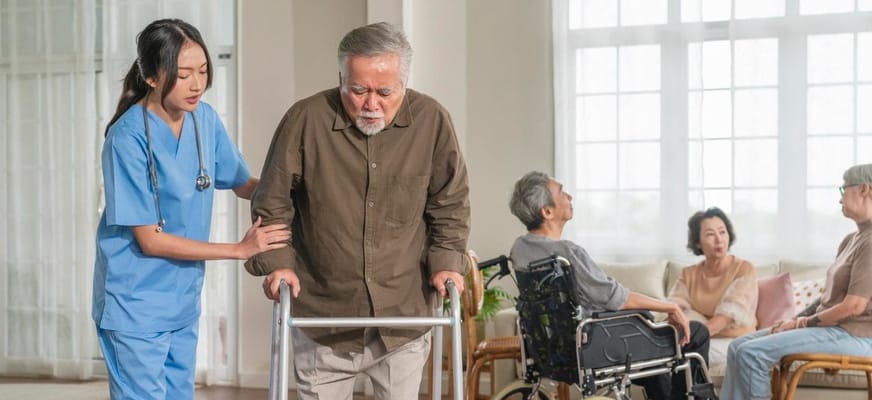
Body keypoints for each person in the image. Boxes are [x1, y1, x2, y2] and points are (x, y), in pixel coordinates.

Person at [244, 22, 470, 400]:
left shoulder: (432, 121)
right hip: (324, 317)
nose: (371, 104)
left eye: (385, 91)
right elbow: (273, 202)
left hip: (403, 316)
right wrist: (278, 263)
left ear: (404, 84)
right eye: (358, 89)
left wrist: (446, 262)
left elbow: (449, 202)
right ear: (341, 78)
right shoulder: (305, 120)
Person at [93, 19, 291, 399]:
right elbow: (149, 240)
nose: (197, 84)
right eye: (184, 75)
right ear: (152, 77)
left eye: (202, 71)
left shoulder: (205, 120)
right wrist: (238, 249)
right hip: (134, 302)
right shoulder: (127, 139)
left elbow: (242, 183)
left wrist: (294, 192)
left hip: (182, 297)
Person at [508, 171, 711, 400]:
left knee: (652, 348)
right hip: (595, 344)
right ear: (547, 211)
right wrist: (670, 307)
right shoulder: (567, 253)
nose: (569, 197)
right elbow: (617, 298)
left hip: (554, 349)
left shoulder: (520, 249)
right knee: (696, 332)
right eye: (561, 192)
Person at [720, 163, 872, 400]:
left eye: (844, 190)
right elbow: (827, 299)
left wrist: (803, 324)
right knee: (737, 347)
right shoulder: (851, 239)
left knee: (753, 354)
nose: (840, 200)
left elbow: (854, 306)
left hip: (856, 335)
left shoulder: (870, 242)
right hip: (834, 329)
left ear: (864, 190)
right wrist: (793, 320)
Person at [668, 207, 758, 338]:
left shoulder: (744, 268)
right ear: (698, 242)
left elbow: (728, 315)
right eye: (710, 234)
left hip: (734, 339)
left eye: (722, 232)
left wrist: (697, 337)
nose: (719, 239)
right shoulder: (688, 274)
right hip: (700, 336)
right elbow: (675, 309)